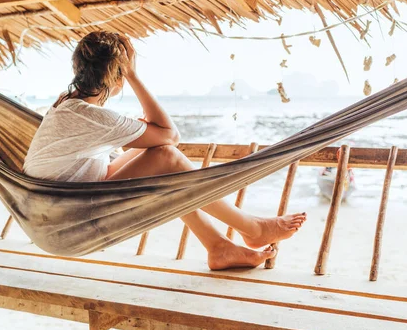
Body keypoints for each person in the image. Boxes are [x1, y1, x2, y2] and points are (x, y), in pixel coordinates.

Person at [23, 31, 306, 270]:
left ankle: (219, 247)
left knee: (163, 152)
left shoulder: (65, 104)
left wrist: (150, 130)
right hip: (66, 220)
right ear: (116, 76)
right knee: (167, 156)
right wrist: (133, 74)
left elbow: (162, 138)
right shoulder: (89, 115)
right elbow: (172, 134)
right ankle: (253, 229)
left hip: (54, 209)